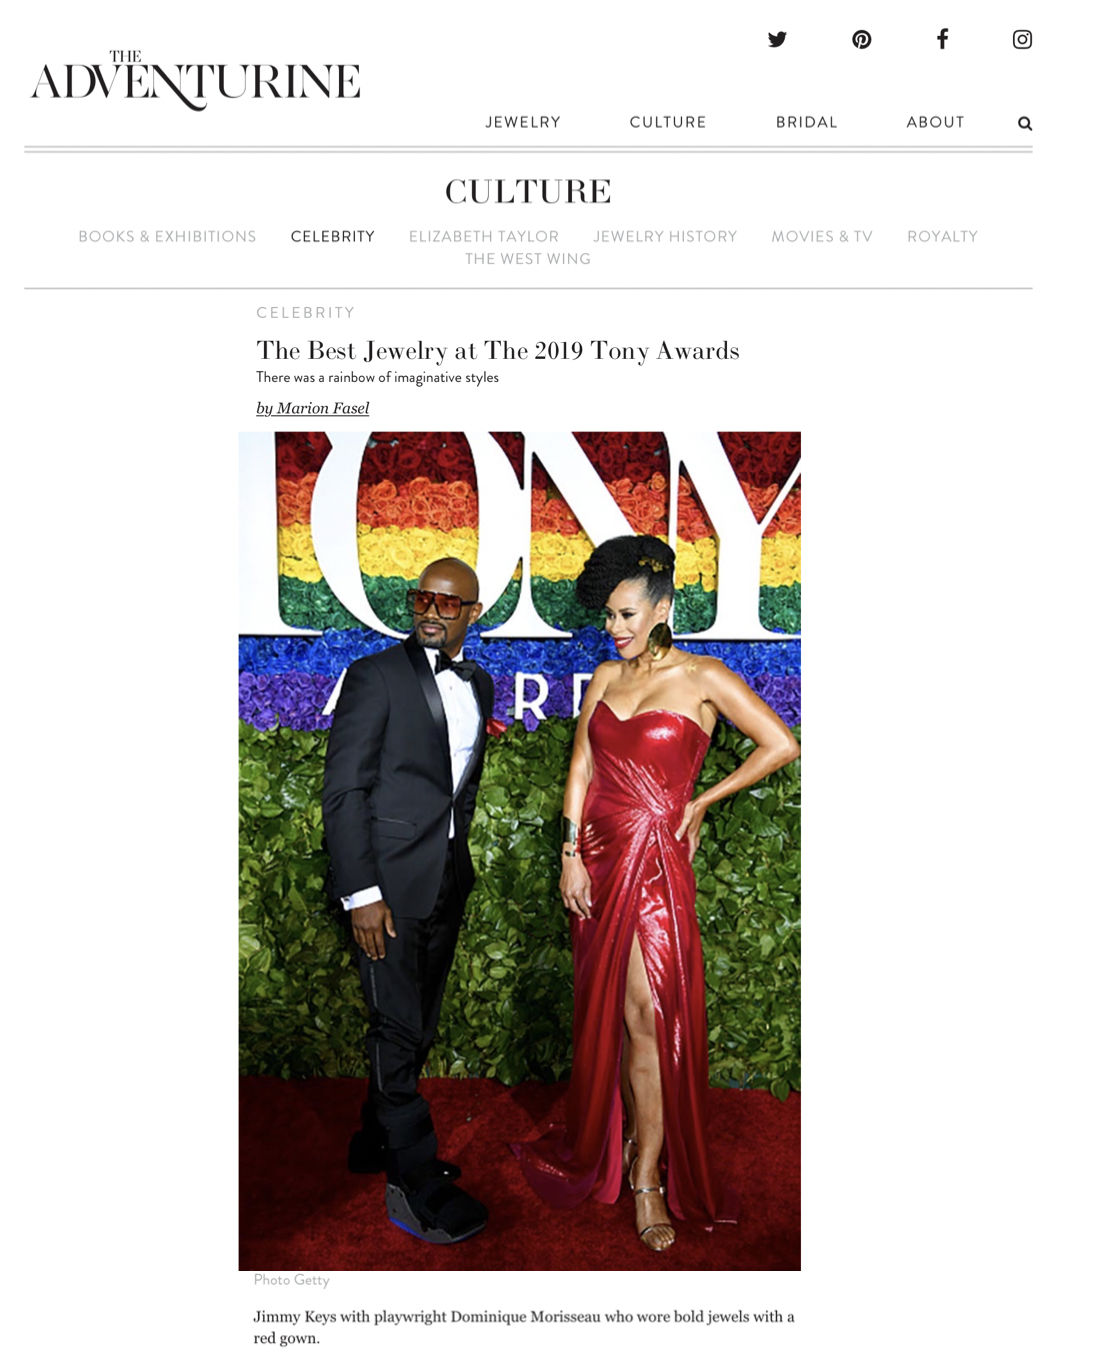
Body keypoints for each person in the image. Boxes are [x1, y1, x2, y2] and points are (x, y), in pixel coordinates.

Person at [513, 535, 800, 1250]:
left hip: (656, 866)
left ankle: (646, 1177)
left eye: (627, 614)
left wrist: (701, 801)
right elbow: (581, 768)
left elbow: (781, 743)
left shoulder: (704, 677)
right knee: (611, 1013)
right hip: (598, 862)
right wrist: (570, 855)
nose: (615, 628)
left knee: (647, 1016)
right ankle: (624, 1137)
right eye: (609, 616)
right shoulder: (606, 676)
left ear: (664, 606)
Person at [322, 557, 495, 1244]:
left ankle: (376, 1143)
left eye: (448, 603)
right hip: (386, 888)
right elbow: (345, 791)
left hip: (445, 878)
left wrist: (455, 859)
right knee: (395, 1028)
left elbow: (458, 790)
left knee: (416, 1025)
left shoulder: (478, 682)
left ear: (472, 614)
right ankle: (414, 1184)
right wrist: (362, 893)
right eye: (422, 598)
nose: (431, 611)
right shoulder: (375, 676)